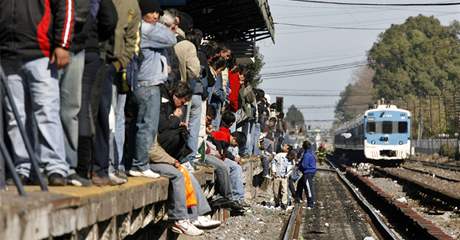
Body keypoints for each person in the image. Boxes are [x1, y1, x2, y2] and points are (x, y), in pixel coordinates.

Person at [0, 0, 74, 185]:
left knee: (46, 111)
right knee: (15, 116)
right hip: (7, 53)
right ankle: (23, 167)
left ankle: (55, 167)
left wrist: (63, 44)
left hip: (41, 52)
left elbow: (66, 6)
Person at [130, 0, 176, 178]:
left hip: (149, 83)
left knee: (145, 125)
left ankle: (139, 163)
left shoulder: (149, 28)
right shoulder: (146, 29)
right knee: (146, 126)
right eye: (152, 12)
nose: (155, 16)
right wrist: (169, 25)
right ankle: (139, 165)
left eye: (157, 13)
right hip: (147, 84)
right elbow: (171, 39)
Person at [297, 141, 317, 208]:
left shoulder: (306, 154)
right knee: (300, 183)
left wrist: (298, 167)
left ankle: (311, 204)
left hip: (308, 173)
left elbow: (304, 165)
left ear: (304, 146)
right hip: (310, 172)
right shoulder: (310, 152)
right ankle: (298, 198)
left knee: (308, 188)